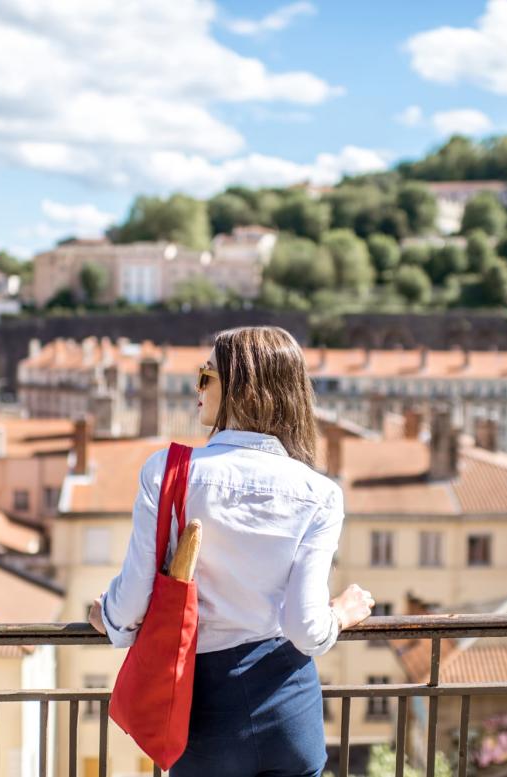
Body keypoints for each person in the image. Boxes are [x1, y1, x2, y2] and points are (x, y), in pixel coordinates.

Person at [88, 325, 374, 777]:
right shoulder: (320, 492)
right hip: (290, 707)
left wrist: (104, 616)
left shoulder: (169, 472)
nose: (197, 388)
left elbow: (128, 611)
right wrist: (340, 612)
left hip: (203, 711)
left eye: (207, 376)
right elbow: (306, 628)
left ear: (245, 388)